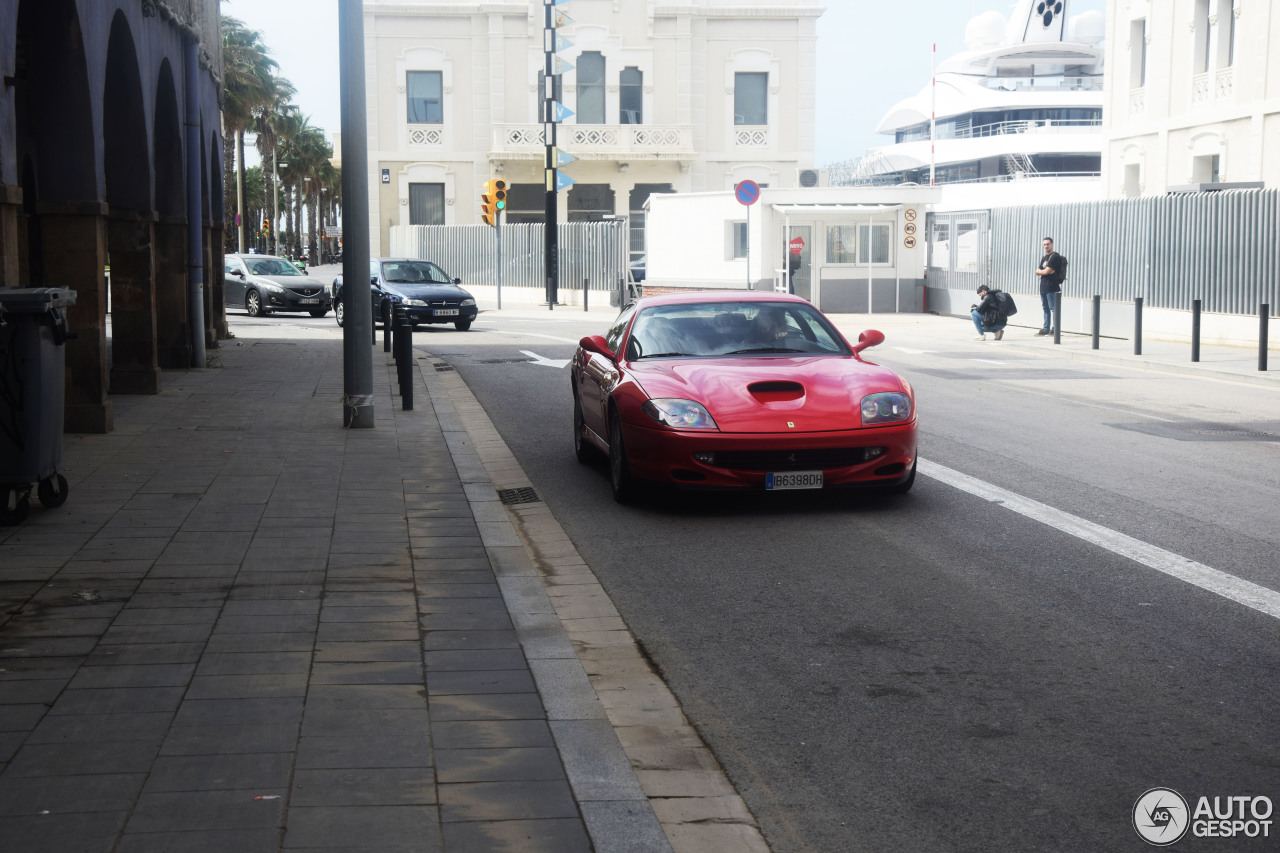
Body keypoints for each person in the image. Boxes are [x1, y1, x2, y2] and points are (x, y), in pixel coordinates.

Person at [1036, 236, 1064, 336]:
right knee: (1045, 308)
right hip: (1043, 287)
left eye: (1048, 244)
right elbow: (1037, 271)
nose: (1046, 246)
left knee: (1053, 308)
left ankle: (1055, 329)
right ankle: (1045, 329)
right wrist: (1045, 271)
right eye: (1044, 244)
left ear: (1052, 244)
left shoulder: (1055, 256)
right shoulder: (1044, 257)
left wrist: (1044, 271)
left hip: (1052, 287)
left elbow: (1046, 270)